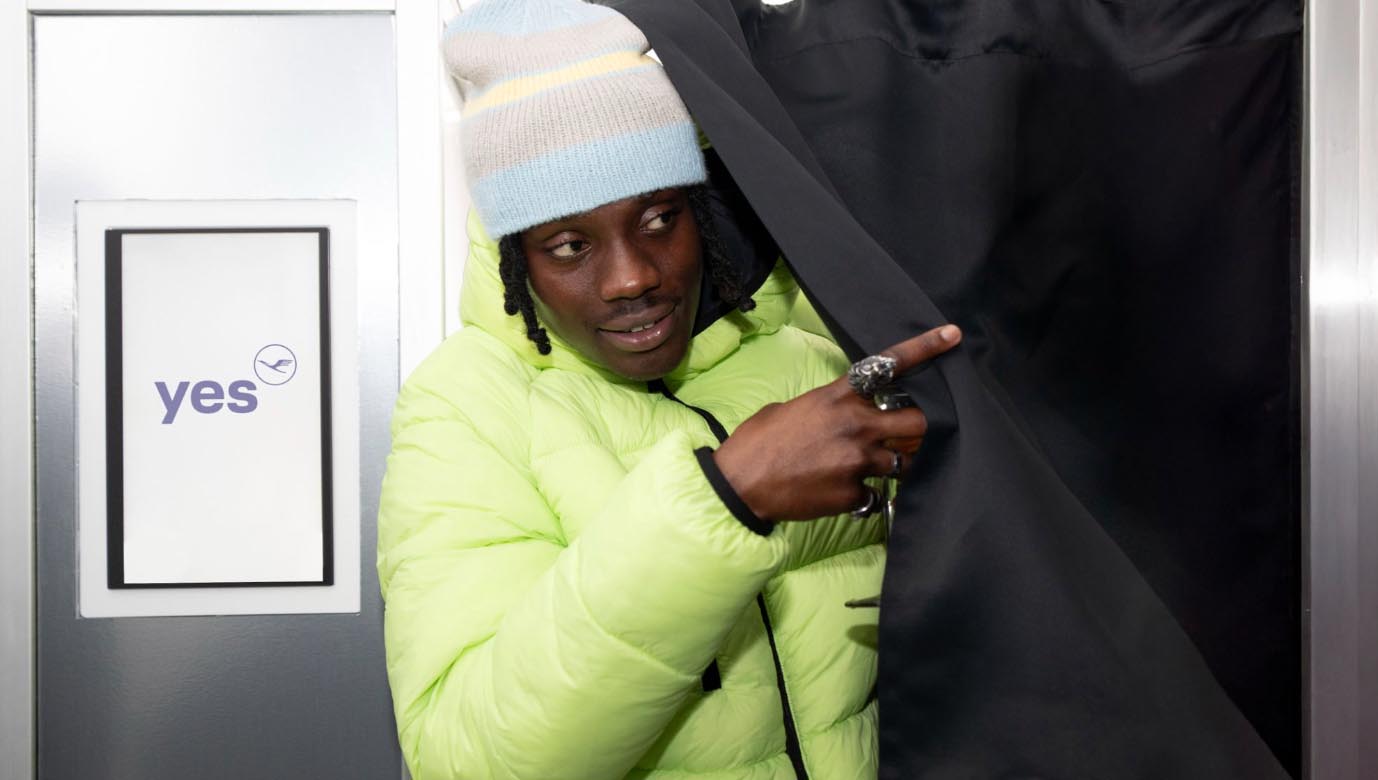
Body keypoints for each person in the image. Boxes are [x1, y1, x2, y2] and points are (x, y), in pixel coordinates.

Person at [376, 1, 961, 777]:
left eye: (659, 218)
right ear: (515, 258)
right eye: (569, 244)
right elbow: (467, 758)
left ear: (705, 217)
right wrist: (726, 500)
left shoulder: (811, 360)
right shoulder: (466, 405)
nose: (633, 277)